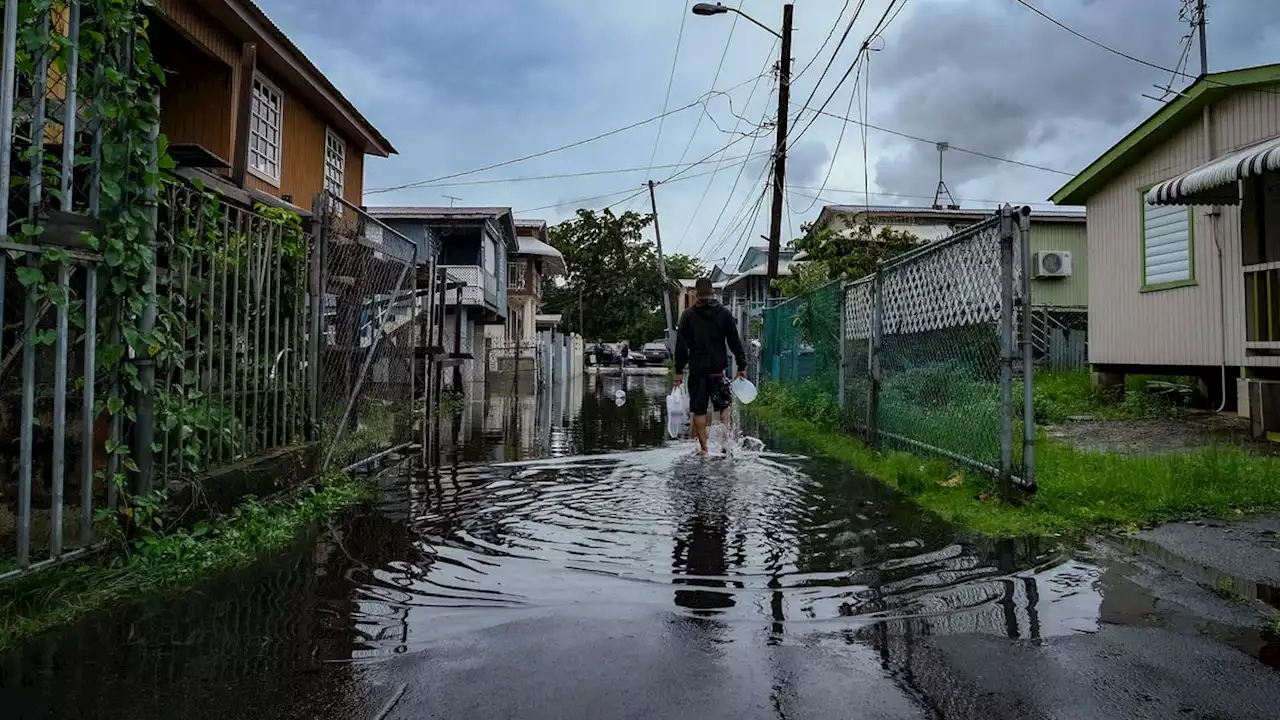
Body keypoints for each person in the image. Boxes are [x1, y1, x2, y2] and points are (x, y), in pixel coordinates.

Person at [673, 278, 747, 455]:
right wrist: (742, 365)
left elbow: (681, 346)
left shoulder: (688, 316)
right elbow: (734, 341)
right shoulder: (724, 314)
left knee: (698, 409)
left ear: (696, 294)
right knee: (724, 406)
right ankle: (725, 443)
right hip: (717, 370)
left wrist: (678, 371)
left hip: (698, 370)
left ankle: (704, 449)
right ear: (713, 293)